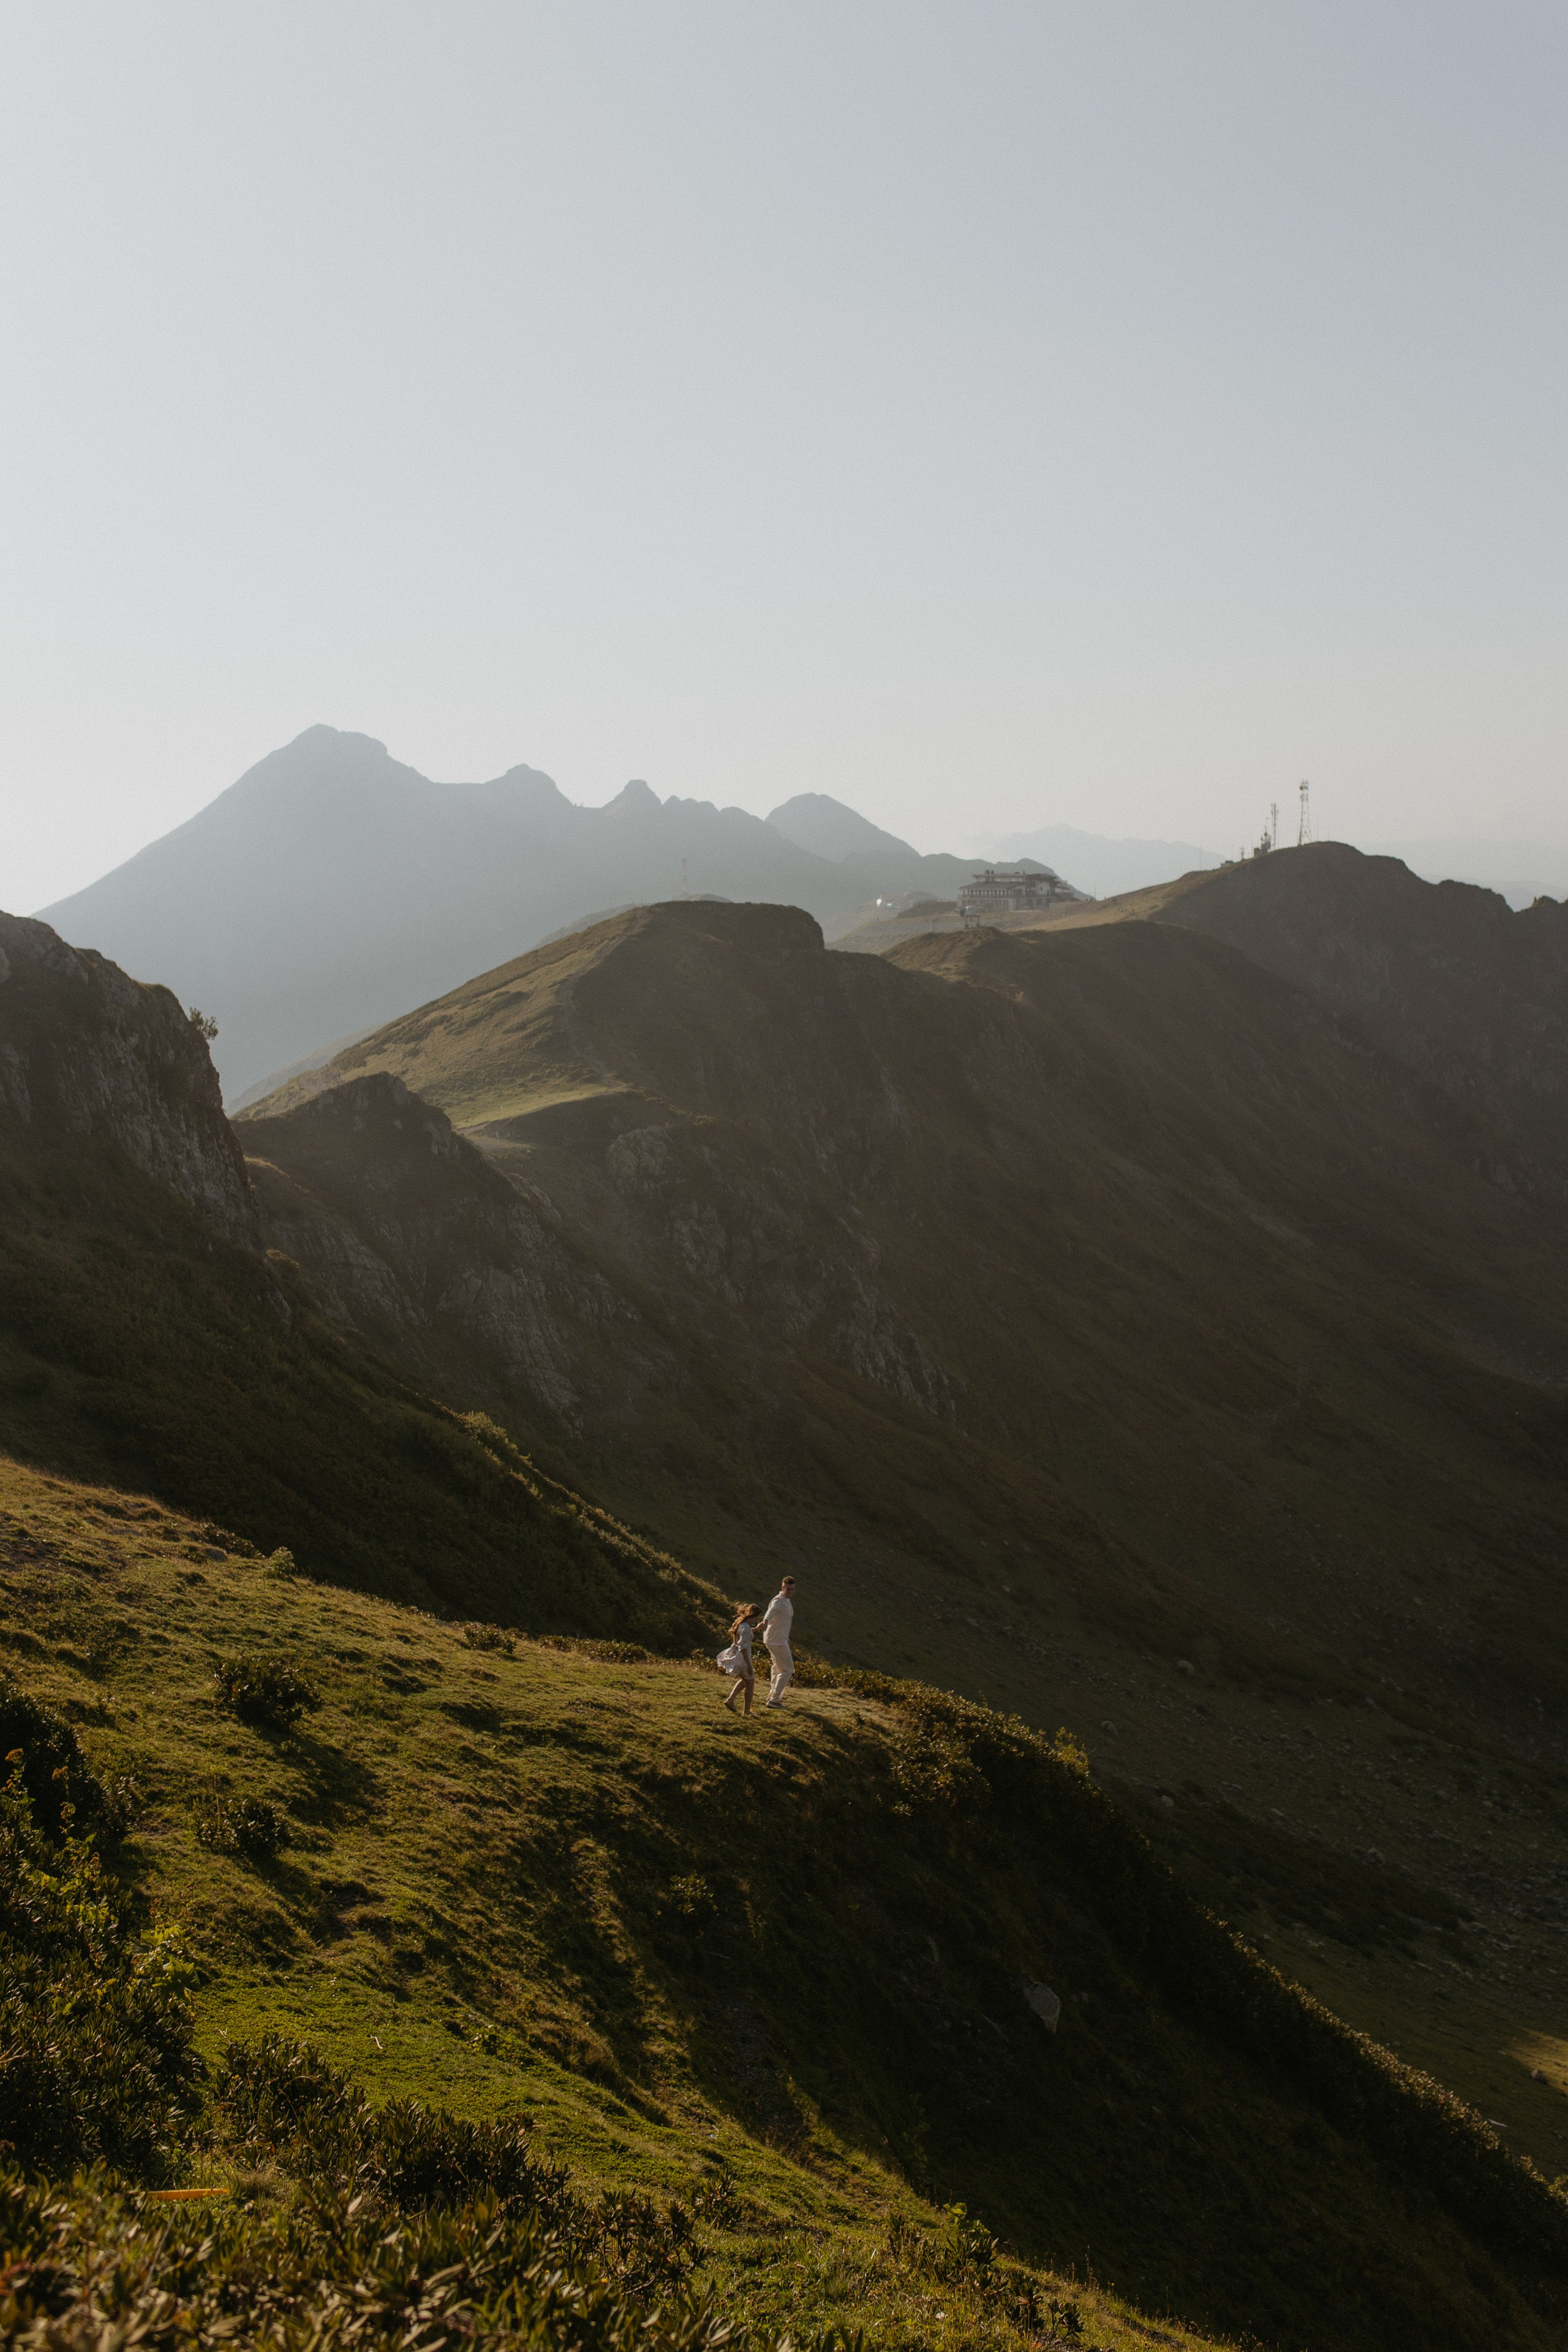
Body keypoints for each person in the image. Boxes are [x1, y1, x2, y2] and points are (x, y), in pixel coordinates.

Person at [760, 1576, 795, 1707]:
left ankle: (772, 1696)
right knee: (788, 1669)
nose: (790, 1592)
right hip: (776, 1641)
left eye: (792, 1589)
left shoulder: (786, 1601)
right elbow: (771, 1611)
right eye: (788, 1589)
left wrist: (787, 1639)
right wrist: (765, 1621)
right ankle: (774, 1700)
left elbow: (785, 1623)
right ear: (782, 1588)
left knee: (777, 1668)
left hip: (778, 1639)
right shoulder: (779, 1600)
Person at [720, 1603, 760, 1715]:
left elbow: (744, 1634)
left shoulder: (741, 1624)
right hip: (743, 1660)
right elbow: (743, 1647)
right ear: (752, 1616)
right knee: (750, 1685)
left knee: (745, 1681)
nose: (757, 1619)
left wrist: (756, 1629)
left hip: (738, 1658)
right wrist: (749, 1664)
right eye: (756, 1617)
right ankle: (746, 1711)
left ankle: (731, 1700)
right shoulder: (746, 1628)